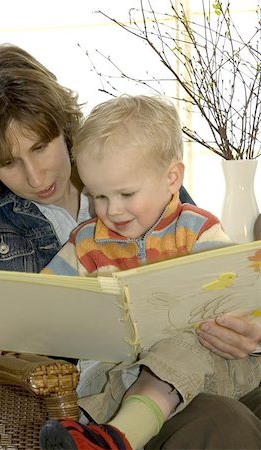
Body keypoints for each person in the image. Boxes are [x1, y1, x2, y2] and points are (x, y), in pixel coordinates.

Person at [0, 44, 260, 449]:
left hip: (192, 365)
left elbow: (208, 282)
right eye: (8, 163)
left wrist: (249, 334)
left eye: (41, 147)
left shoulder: (124, 158)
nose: (35, 175)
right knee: (223, 422)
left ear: (63, 128)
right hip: (90, 396)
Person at [36, 95, 261, 449]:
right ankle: (106, 435)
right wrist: (2, 332)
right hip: (122, 377)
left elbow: (244, 295)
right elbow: (40, 295)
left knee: (180, 345)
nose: (112, 210)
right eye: (98, 196)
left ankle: (118, 438)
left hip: (209, 365)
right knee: (106, 375)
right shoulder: (86, 243)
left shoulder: (197, 230)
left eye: (126, 193)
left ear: (172, 178)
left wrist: (249, 327)